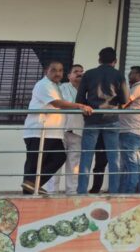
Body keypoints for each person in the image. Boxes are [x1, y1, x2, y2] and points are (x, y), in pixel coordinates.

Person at [22, 61, 93, 195]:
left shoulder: (56, 87)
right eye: (54, 70)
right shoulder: (44, 85)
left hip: (54, 133)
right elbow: (57, 103)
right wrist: (80, 106)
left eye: (60, 70)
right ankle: (29, 193)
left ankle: (34, 184)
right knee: (34, 164)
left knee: (59, 157)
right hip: (39, 131)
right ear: (46, 72)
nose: (57, 73)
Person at [76, 47, 129, 194]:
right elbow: (125, 99)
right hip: (111, 119)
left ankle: (81, 191)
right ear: (115, 61)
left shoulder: (89, 74)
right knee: (113, 158)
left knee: (86, 157)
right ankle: (114, 191)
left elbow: (79, 99)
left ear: (99, 59)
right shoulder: (118, 75)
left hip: (92, 119)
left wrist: (86, 113)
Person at [120, 66, 140, 193]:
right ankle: (139, 191)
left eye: (131, 73)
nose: (129, 75)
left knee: (131, 164)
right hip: (132, 130)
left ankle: (129, 192)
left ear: (139, 75)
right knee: (135, 164)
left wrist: (109, 106)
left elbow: (125, 103)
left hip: (130, 130)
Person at [60, 64, 84, 194]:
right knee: (56, 162)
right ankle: (52, 192)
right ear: (69, 75)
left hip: (78, 130)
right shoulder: (62, 87)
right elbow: (65, 103)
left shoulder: (87, 89)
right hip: (61, 130)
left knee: (74, 164)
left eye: (81, 71)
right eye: (76, 71)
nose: (79, 73)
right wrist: (80, 106)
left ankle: (71, 192)